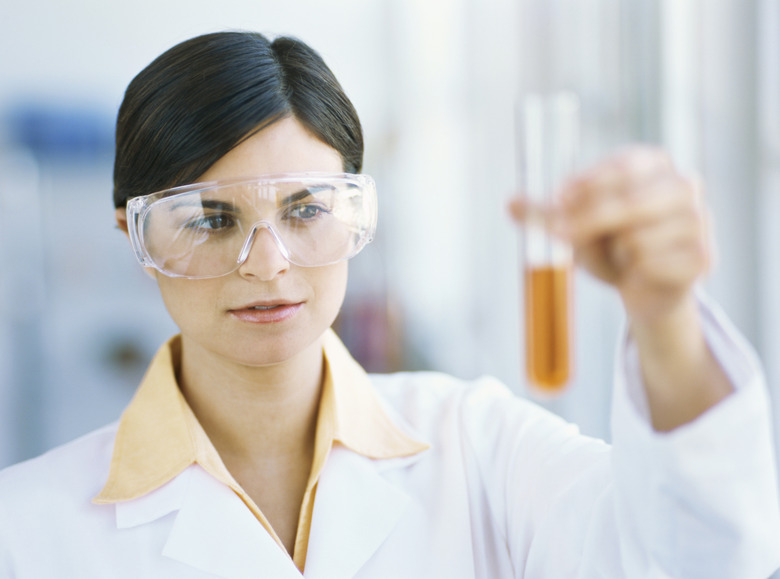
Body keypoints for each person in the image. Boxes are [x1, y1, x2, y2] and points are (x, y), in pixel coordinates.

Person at [0, 30, 778, 579]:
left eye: (306, 209)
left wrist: (666, 315)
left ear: (355, 215)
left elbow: (698, 560)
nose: (269, 263)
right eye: (211, 218)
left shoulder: (479, 447)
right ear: (136, 238)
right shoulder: (26, 529)